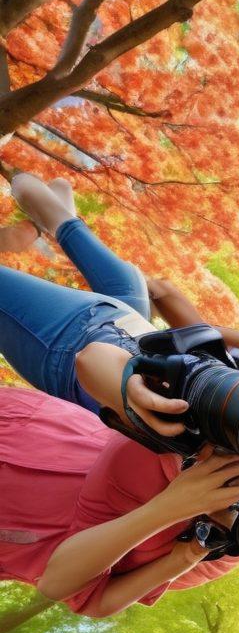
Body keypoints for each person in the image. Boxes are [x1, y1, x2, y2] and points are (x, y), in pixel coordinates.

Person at [0, 386, 239, 617]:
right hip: (31, 431)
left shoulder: (216, 556)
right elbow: (138, 436)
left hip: (18, 528)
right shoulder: (212, 460)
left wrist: (183, 538)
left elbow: (87, 598)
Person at [0, 173, 196, 436]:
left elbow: (207, 333)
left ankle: (57, 222)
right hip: (99, 335)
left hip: (106, 335)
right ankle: (53, 223)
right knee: (26, 184)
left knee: (32, 188)